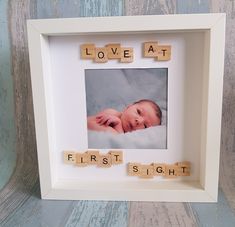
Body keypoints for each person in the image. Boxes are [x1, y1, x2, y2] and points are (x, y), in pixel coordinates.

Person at [87, 99, 162, 134]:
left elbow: (119, 142)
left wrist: (118, 125)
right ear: (128, 107)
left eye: (145, 126)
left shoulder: (128, 138)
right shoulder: (111, 113)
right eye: (138, 112)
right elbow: (90, 123)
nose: (139, 121)